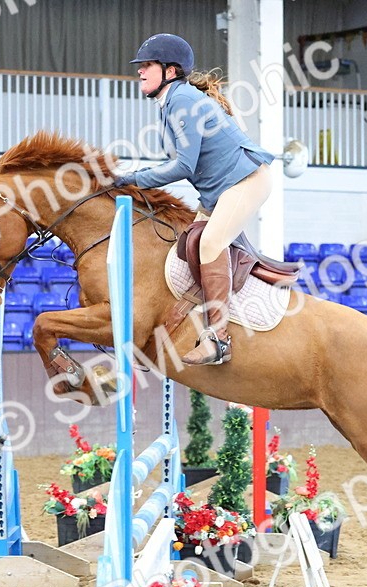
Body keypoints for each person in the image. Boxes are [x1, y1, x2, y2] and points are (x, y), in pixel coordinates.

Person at [112, 33, 275, 366]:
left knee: (211, 243)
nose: (140, 72)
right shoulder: (171, 102)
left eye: (147, 66)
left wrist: (135, 179)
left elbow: (184, 166)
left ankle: (218, 339)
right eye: (140, 67)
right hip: (220, 192)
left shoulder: (183, 100)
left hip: (246, 181)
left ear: (170, 71)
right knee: (185, 247)